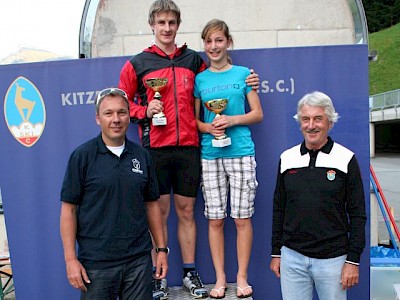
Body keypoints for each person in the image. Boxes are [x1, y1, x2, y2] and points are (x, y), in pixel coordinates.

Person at [118, 1, 259, 299]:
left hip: (191, 149)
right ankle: (160, 277)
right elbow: (122, 104)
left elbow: (221, 78)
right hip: (155, 148)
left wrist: (250, 80)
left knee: (185, 212)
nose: (166, 28)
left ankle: (189, 273)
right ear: (152, 25)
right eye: (161, 23)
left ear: (178, 25)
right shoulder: (138, 63)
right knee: (160, 212)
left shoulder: (193, 60)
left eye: (171, 22)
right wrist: (145, 109)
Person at [60, 87, 168, 299]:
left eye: (121, 112)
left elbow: (152, 205)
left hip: (138, 261)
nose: (116, 119)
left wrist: (161, 250)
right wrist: (70, 259)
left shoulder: (142, 156)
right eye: (108, 113)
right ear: (98, 118)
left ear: (129, 116)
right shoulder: (82, 157)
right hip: (96, 264)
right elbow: (68, 211)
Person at [270, 91, 367, 300]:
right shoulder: (287, 158)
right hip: (292, 259)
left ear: (330, 122)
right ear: (300, 122)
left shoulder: (346, 159)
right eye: (305, 119)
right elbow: (279, 208)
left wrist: (353, 260)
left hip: (333, 260)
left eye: (318, 119)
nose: (311, 125)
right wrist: (277, 252)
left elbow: (358, 213)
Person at [194, 19, 263, 299]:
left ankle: (241, 277)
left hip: (241, 152)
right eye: (209, 42)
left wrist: (232, 119)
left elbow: (257, 113)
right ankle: (220, 278)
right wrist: (209, 127)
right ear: (205, 45)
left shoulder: (244, 73)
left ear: (228, 42)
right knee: (215, 220)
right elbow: (194, 120)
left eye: (219, 40)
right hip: (210, 154)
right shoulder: (200, 79)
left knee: (242, 219)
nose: (214, 46)